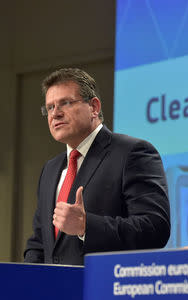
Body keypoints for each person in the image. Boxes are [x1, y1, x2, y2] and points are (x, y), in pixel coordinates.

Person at [24, 68, 170, 265]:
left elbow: (155, 228)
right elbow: (40, 242)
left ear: (94, 107)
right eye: (49, 107)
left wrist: (86, 225)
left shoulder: (132, 153)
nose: (55, 114)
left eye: (65, 103)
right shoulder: (50, 170)